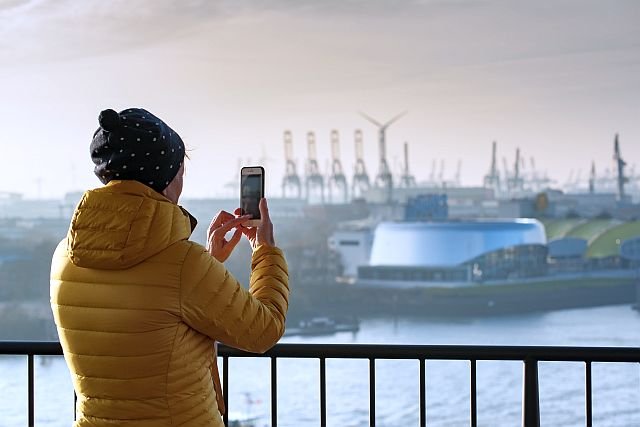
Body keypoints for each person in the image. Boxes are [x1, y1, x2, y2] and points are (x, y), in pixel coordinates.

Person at [50, 108, 289, 426]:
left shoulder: (64, 256)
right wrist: (265, 251)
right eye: (180, 172)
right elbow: (263, 331)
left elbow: (152, 310)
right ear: (165, 178)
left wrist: (209, 264)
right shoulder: (182, 265)